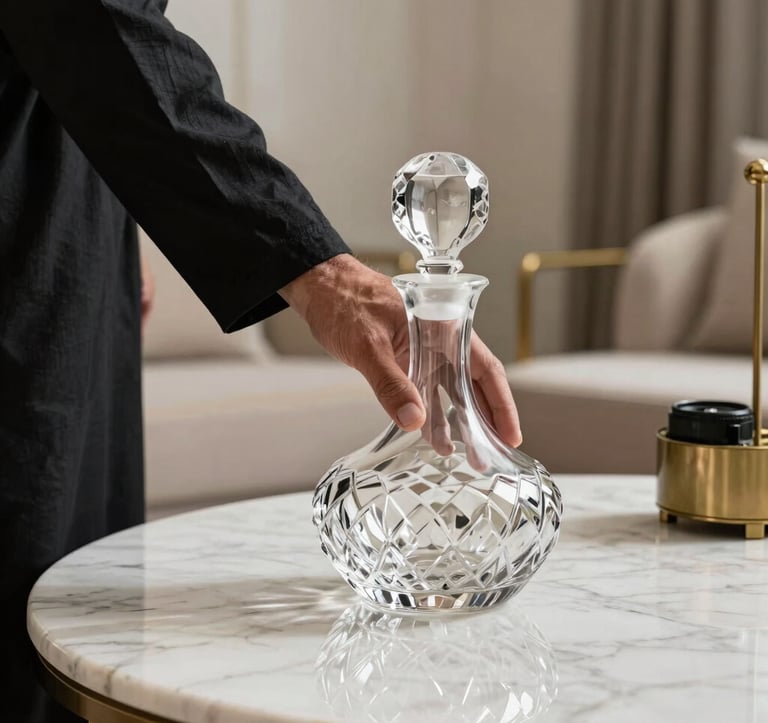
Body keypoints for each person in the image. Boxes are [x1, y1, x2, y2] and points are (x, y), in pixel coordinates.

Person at [0, 2, 521, 720]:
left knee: (69, 614)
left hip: (63, 207)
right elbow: (90, 18)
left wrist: (104, 221)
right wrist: (317, 268)